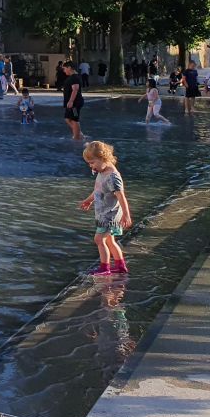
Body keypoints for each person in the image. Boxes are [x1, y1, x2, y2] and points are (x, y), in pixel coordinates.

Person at [78, 141, 132, 277]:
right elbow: (97, 190)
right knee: (109, 240)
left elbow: (121, 197)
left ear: (103, 158)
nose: (91, 166)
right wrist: (88, 200)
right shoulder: (102, 171)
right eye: (89, 163)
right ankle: (120, 266)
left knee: (99, 239)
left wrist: (126, 215)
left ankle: (104, 267)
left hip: (110, 215)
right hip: (104, 213)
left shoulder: (112, 177)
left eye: (92, 162)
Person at [62, 59, 84, 140]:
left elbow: (75, 89)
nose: (64, 71)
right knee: (67, 119)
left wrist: (71, 101)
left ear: (69, 67)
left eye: (64, 69)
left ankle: (77, 137)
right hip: (72, 103)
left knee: (74, 119)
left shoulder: (74, 77)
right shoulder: (72, 77)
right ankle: (79, 134)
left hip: (75, 103)